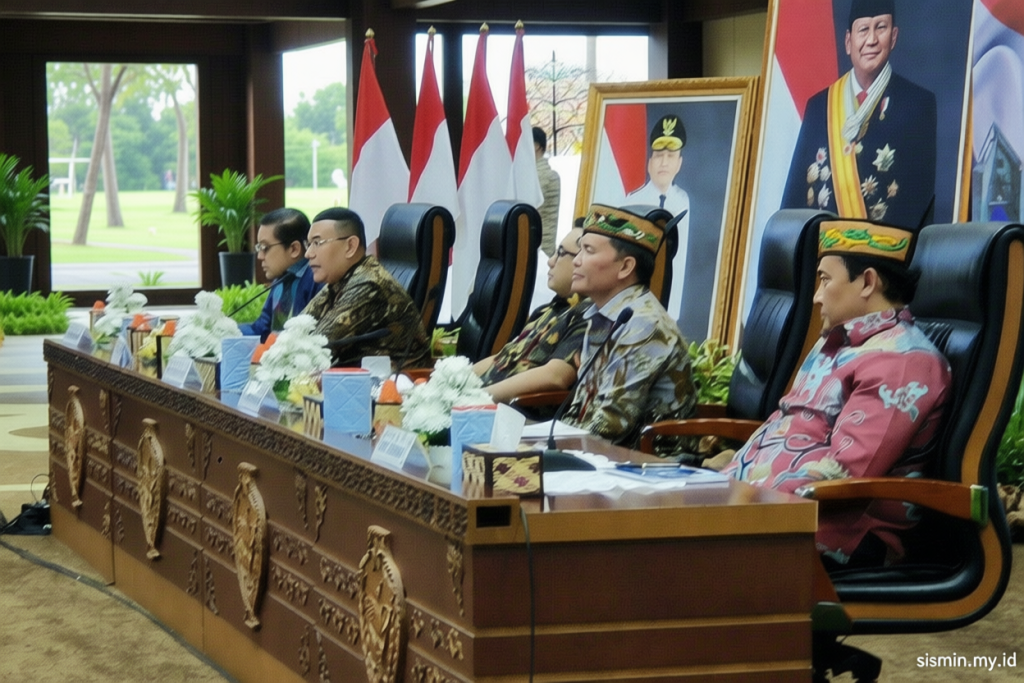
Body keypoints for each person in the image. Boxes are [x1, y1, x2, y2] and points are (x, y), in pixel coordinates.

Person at [718, 218, 951, 568]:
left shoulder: (902, 361)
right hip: (772, 511)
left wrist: (739, 501)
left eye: (825, 280)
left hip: (835, 532)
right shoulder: (835, 343)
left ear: (867, 282)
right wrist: (720, 484)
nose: (816, 296)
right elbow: (785, 427)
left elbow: (843, 474)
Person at [781, 0, 936, 229]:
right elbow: (794, 202)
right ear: (848, 42)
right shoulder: (819, 107)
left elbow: (920, 204)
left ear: (893, 37)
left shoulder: (918, 105)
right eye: (863, 29)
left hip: (887, 249)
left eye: (880, 27)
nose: (871, 40)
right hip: (823, 248)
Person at [560, 204, 696, 449]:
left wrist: (549, 445)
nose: (576, 261)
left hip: (646, 462)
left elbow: (610, 425)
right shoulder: (605, 314)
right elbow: (582, 408)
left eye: (588, 251)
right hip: (601, 453)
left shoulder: (645, 325)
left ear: (625, 267)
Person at [301, 207, 430, 369]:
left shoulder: (369, 284)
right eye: (308, 244)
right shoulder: (341, 280)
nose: (308, 254)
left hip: (400, 380)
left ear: (350, 246)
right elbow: (298, 331)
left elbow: (312, 351)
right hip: (354, 378)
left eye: (317, 243)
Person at [475, 221, 588, 403]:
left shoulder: (587, 316)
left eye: (561, 253)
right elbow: (500, 358)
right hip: (481, 400)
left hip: (509, 410)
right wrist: (451, 383)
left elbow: (555, 377)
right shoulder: (547, 310)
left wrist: (473, 399)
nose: (550, 261)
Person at [239, 208, 321, 342]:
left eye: (265, 247)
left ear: (294, 249)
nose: (260, 256)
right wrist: (224, 330)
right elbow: (261, 330)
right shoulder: (281, 278)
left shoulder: (317, 280)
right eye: (259, 248)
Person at [626, 114, 690, 218]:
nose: (664, 163)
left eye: (671, 156)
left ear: (679, 164)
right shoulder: (632, 200)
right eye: (659, 155)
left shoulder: (683, 200)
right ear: (649, 163)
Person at [533, 126, 561, 258]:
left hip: (540, 250)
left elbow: (531, 208)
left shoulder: (541, 175)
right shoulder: (540, 174)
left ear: (537, 146)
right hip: (540, 248)